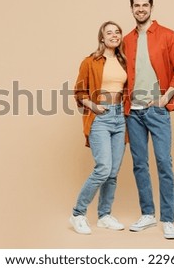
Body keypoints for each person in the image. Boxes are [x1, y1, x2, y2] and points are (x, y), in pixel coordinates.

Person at [123, 0, 174, 239]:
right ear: (131, 9)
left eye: (144, 5)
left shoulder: (168, 35)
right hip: (133, 112)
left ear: (151, 7)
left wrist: (164, 98)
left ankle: (168, 219)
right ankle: (148, 214)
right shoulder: (126, 39)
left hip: (157, 111)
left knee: (163, 162)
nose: (140, 9)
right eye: (136, 5)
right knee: (139, 164)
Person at [70, 21, 127, 235]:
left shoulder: (124, 61)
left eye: (117, 32)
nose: (114, 35)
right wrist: (95, 106)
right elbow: (79, 92)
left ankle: (104, 215)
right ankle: (78, 213)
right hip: (100, 118)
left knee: (112, 172)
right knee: (103, 168)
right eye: (109, 32)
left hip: (120, 117)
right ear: (102, 38)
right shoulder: (90, 61)